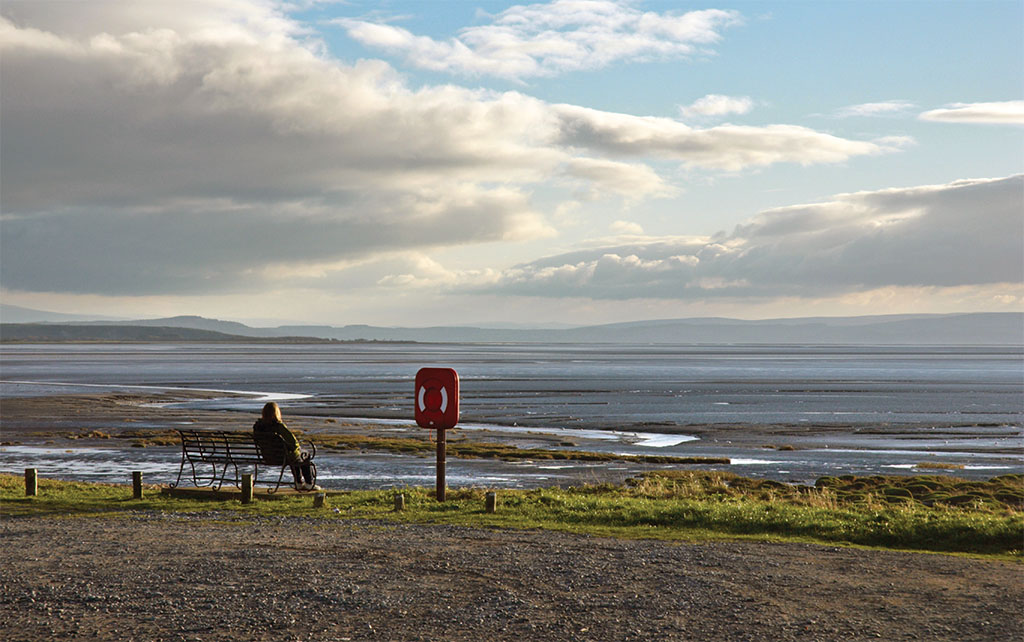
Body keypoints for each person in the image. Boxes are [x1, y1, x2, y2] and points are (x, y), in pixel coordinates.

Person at [253, 401, 320, 491]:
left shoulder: (258, 427)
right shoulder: (278, 426)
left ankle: (299, 482)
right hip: (282, 458)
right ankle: (308, 483)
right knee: (303, 454)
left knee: (294, 455)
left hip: (267, 456)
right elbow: (293, 442)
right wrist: (297, 448)